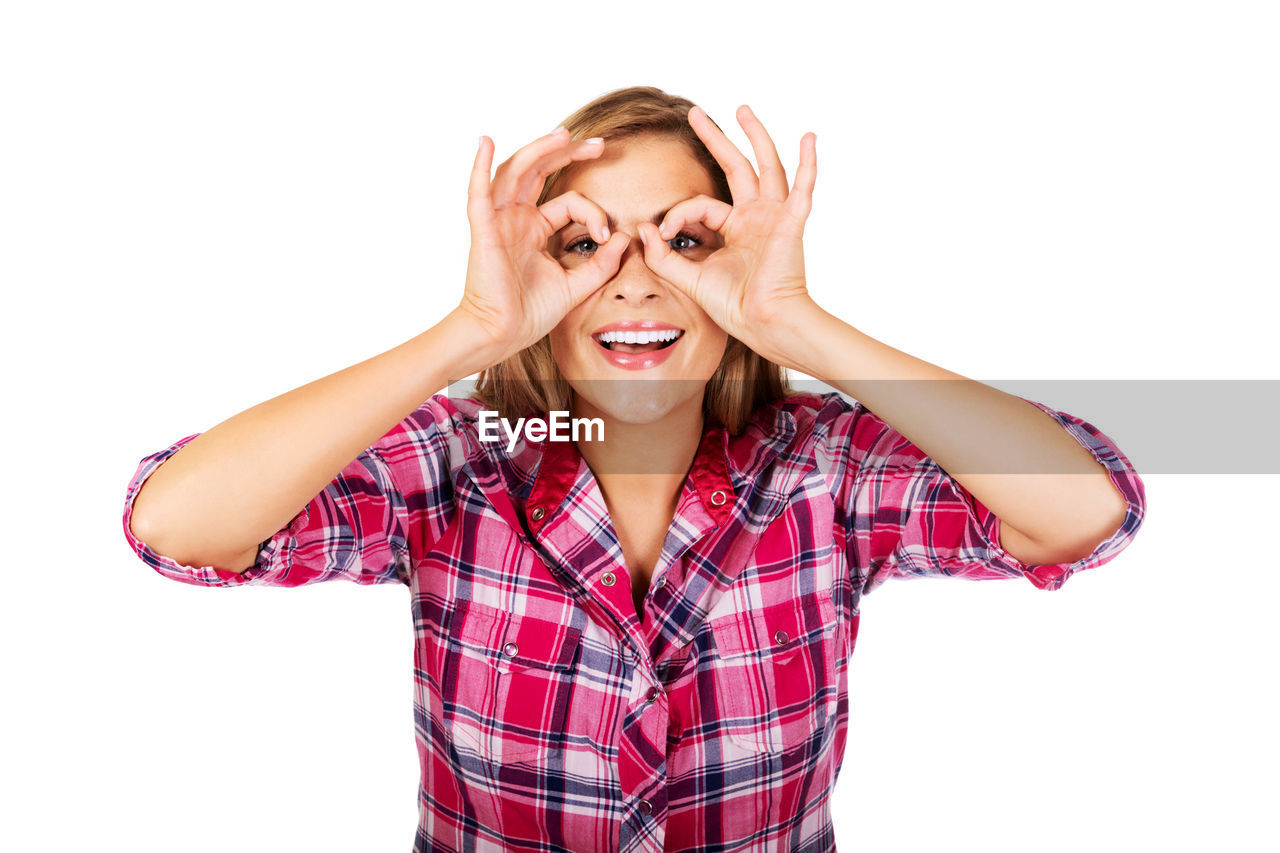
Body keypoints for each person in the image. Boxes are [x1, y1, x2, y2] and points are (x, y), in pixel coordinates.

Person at [121, 85, 1147, 852]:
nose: (636, 282)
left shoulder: (824, 467)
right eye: (583, 246)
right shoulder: (460, 461)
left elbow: (1081, 512)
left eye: (687, 241)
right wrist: (470, 329)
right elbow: (178, 525)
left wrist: (800, 324)